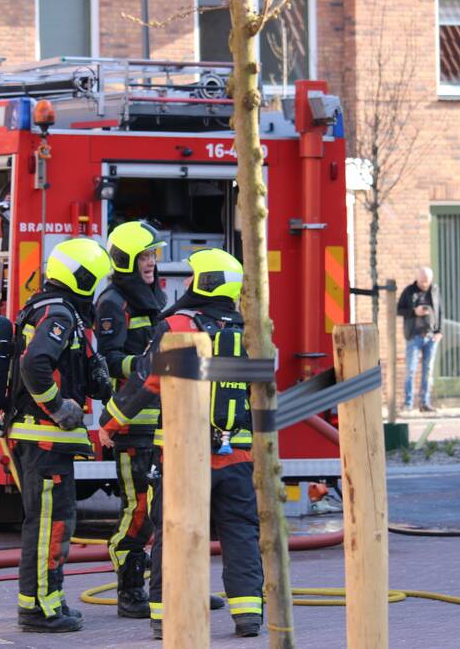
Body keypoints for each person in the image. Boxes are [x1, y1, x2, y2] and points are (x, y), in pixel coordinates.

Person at [102, 248, 264, 640]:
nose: (188, 284)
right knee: (240, 530)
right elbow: (261, 390)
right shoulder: (250, 329)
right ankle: (248, 615)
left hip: (183, 454)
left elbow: (147, 380)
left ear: (205, 281)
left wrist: (110, 422)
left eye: (194, 277)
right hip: (236, 452)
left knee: (172, 531)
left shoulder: (178, 323)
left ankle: (164, 614)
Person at [7, 237, 113, 633]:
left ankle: (44, 602)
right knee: (49, 525)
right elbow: (35, 365)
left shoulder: (54, 309)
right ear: (82, 278)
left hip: (43, 440)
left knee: (50, 522)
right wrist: (58, 407)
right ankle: (39, 609)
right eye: (96, 279)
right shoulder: (59, 315)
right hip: (45, 439)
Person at [95, 221, 167, 618]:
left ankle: (164, 588)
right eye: (144, 256)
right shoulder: (112, 301)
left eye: (153, 254)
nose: (151, 262)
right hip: (131, 421)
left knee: (164, 509)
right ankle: (130, 591)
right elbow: (107, 360)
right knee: (138, 508)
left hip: (161, 423)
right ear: (125, 260)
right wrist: (145, 366)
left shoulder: (156, 294)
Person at [397, 265, 443, 413]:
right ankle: (408, 403)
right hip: (414, 337)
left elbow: (440, 311)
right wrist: (414, 311)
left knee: (428, 371)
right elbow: (398, 310)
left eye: (427, 281)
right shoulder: (409, 291)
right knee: (411, 370)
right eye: (422, 281)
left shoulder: (434, 290)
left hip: (431, 337)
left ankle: (425, 403)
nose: (425, 284)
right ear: (417, 278)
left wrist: (440, 332)